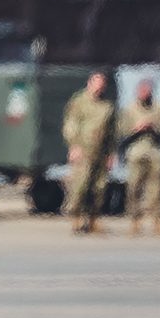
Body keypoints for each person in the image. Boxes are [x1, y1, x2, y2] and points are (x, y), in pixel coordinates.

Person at [61, 72, 116, 234]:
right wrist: (74, 146)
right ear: (89, 83)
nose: (99, 87)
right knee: (80, 185)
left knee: (99, 187)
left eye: (102, 84)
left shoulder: (107, 106)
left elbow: (111, 133)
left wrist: (111, 154)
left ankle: (93, 219)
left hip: (100, 152)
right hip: (83, 150)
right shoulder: (79, 101)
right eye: (96, 83)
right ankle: (76, 218)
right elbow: (70, 125)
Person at [118, 78, 160, 235]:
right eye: (142, 91)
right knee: (134, 187)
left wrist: (154, 126)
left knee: (157, 189)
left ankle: (157, 220)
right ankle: (135, 220)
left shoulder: (159, 109)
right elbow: (121, 130)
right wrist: (136, 128)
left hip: (155, 152)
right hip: (135, 152)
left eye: (147, 91)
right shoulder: (129, 110)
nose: (144, 94)